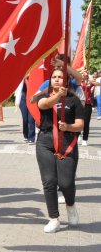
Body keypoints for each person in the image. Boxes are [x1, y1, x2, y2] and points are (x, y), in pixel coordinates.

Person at [35, 67, 84, 233]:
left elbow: (80, 125)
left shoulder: (74, 100)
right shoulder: (44, 95)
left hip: (67, 142)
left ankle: (71, 206)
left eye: (60, 77)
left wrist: (68, 126)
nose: (56, 79)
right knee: (49, 181)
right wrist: (58, 96)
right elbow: (44, 105)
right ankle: (54, 218)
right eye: (54, 77)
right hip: (45, 141)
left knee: (66, 183)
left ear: (66, 81)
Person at [79, 71, 94, 146]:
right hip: (79, 104)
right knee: (78, 120)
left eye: (85, 73)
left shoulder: (89, 83)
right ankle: (78, 135)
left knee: (86, 122)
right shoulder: (78, 82)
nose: (84, 74)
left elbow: (96, 83)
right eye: (82, 73)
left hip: (88, 104)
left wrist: (90, 81)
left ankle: (85, 139)